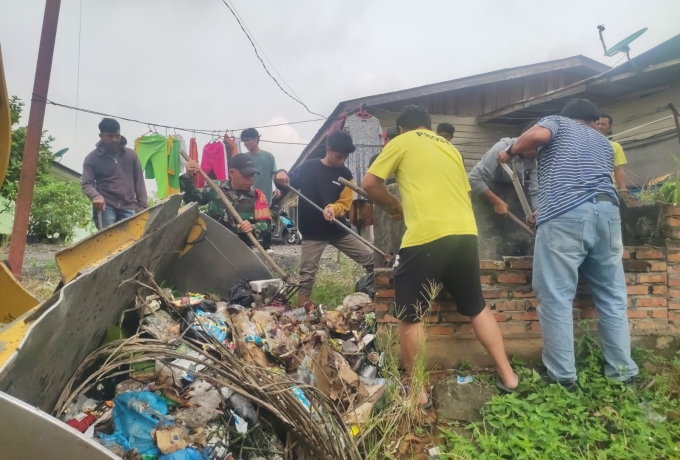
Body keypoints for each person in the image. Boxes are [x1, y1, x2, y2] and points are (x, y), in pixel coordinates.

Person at [362, 105, 519, 405]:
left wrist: (396, 207)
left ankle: (418, 392)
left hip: (427, 235)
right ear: (430, 128)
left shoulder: (402, 141)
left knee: (411, 314)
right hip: (465, 233)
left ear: (403, 129)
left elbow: (370, 184)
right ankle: (509, 375)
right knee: (476, 306)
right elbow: (465, 192)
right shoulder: (450, 148)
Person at [498, 99, 638, 389]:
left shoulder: (558, 122)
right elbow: (581, 181)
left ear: (569, 117)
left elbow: (536, 137)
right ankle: (623, 375)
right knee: (612, 298)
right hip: (608, 217)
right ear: (593, 120)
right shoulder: (602, 142)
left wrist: (510, 151)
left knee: (556, 298)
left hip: (567, 220)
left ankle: (563, 378)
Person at [275, 131, 374, 307]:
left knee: (372, 260)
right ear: (328, 150)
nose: (342, 160)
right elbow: (286, 181)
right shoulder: (309, 167)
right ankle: (303, 317)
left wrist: (333, 208)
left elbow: (345, 202)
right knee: (307, 277)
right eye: (339, 156)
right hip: (313, 232)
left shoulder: (345, 173)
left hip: (338, 230)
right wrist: (280, 173)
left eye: (345, 157)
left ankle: (380, 302)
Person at [180, 153, 271, 246]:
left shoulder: (258, 197)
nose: (250, 179)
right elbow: (192, 199)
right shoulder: (215, 187)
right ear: (231, 173)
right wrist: (188, 176)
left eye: (253, 174)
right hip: (211, 245)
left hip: (240, 250)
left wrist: (253, 227)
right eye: (246, 175)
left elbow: (267, 226)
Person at [81, 118, 147, 229]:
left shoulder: (131, 155)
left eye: (117, 135)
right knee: (109, 241)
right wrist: (96, 196)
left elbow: (139, 182)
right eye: (110, 136)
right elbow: (87, 183)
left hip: (128, 207)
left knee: (128, 242)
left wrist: (144, 207)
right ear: (101, 136)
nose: (114, 139)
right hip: (106, 206)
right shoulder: (92, 158)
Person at [468, 128, 538, 217]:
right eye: (537, 149)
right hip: (490, 193)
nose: (540, 152)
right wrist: (496, 201)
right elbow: (473, 178)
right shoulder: (501, 148)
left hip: (516, 196)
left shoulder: (537, 158)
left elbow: (535, 190)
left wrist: (537, 213)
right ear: (525, 142)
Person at [241, 128, 287, 252]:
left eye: (248, 140)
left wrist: (277, 187)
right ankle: (247, 246)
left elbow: (273, 174)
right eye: (244, 141)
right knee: (249, 219)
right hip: (248, 194)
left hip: (264, 194)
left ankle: (266, 246)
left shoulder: (268, 156)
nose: (246, 143)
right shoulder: (244, 158)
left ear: (256, 139)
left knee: (265, 218)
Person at [596, 113, 628, 190]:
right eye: (598, 123)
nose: (600, 126)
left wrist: (623, 190)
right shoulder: (584, 144)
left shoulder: (615, 146)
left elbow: (618, 169)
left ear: (610, 128)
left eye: (604, 124)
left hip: (608, 188)